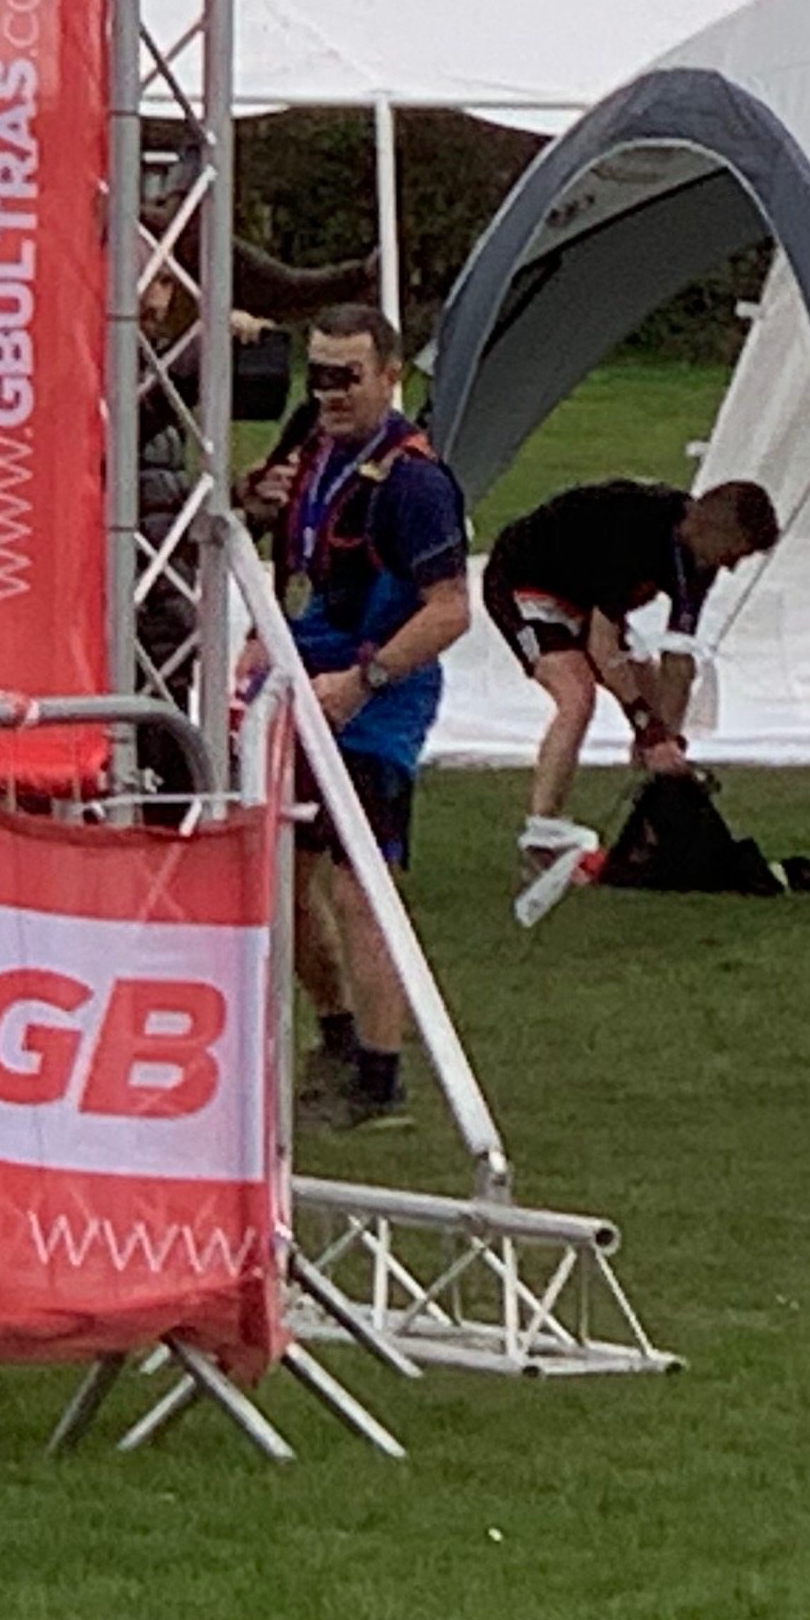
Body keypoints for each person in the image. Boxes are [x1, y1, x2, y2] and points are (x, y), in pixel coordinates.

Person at [241, 303, 473, 1135]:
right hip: (299, 682)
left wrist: (365, 680)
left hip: (375, 701)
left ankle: (381, 1078)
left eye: (349, 376)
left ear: (390, 376)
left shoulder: (414, 482)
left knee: (359, 887)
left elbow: (452, 609)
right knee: (280, 877)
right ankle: (336, 1033)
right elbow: (293, 545)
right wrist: (255, 501)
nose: (332, 392)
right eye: (321, 375)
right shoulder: (314, 443)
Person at [484, 474, 785, 887]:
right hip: (526, 582)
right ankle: (541, 837)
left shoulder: (697, 561)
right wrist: (647, 728)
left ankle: (654, 817)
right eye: (734, 553)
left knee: (650, 694)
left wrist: (667, 742)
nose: (731, 566)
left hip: (585, 598)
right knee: (577, 696)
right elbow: (602, 647)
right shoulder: (634, 533)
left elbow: (679, 659)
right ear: (711, 530)